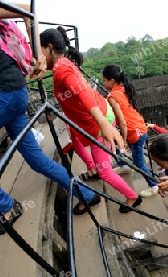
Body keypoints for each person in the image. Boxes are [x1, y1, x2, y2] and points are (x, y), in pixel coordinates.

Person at [0, 1, 100, 234]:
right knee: (37, 161)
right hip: (12, 95)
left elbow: (26, 9)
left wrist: (37, 53)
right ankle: (87, 193)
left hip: (7, 93)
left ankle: (6, 206)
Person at [40, 27, 140, 214]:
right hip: (95, 115)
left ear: (49, 48)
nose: (37, 54)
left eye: (40, 49)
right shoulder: (63, 65)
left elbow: (83, 94)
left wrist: (102, 123)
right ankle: (92, 167)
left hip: (98, 122)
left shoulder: (63, 71)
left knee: (105, 172)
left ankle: (133, 196)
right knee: (74, 136)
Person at [102, 64, 158, 198]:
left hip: (135, 132)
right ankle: (124, 165)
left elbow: (122, 122)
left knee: (139, 163)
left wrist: (124, 140)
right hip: (138, 127)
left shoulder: (113, 97)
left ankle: (153, 185)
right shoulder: (122, 90)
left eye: (104, 80)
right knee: (115, 143)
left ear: (112, 81)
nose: (103, 83)